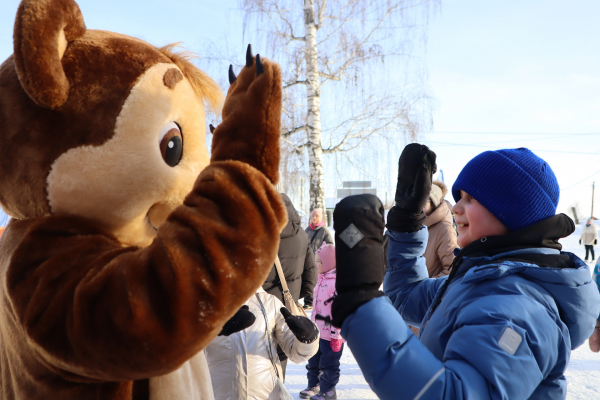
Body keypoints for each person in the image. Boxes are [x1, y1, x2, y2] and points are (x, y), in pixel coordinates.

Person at [329, 145, 600, 400]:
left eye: (470, 199)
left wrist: (361, 307)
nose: (455, 207)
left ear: (512, 213)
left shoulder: (519, 307)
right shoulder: (479, 282)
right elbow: (405, 296)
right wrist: (407, 224)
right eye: (458, 197)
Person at [205, 288, 319, 400]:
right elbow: (189, 357)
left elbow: (297, 354)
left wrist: (307, 339)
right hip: (216, 393)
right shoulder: (201, 302)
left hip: (265, 393)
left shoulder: (269, 302)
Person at [263, 193, 317, 377]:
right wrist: (292, 296)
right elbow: (311, 278)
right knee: (279, 366)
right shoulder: (301, 235)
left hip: (259, 314)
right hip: (286, 314)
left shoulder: (255, 235)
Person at [300, 244, 344, 400]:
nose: (315, 264)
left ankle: (328, 391)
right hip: (318, 332)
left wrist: (337, 334)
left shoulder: (337, 283)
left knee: (329, 365)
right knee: (313, 361)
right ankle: (314, 385)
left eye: (319, 261)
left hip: (332, 336)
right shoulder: (321, 279)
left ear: (329, 263)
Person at [423, 181, 458, 278]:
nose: (417, 203)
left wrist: (423, 288)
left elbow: (453, 270)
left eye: (423, 199)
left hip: (427, 292)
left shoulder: (445, 229)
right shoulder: (413, 227)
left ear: (434, 203)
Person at [305, 208, 333, 310]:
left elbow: (330, 245)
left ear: (320, 217)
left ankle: (319, 300)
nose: (314, 218)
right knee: (308, 280)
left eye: (316, 216)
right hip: (308, 260)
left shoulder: (324, 230)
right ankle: (308, 301)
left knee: (318, 281)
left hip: (319, 261)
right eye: (313, 216)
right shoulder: (307, 230)